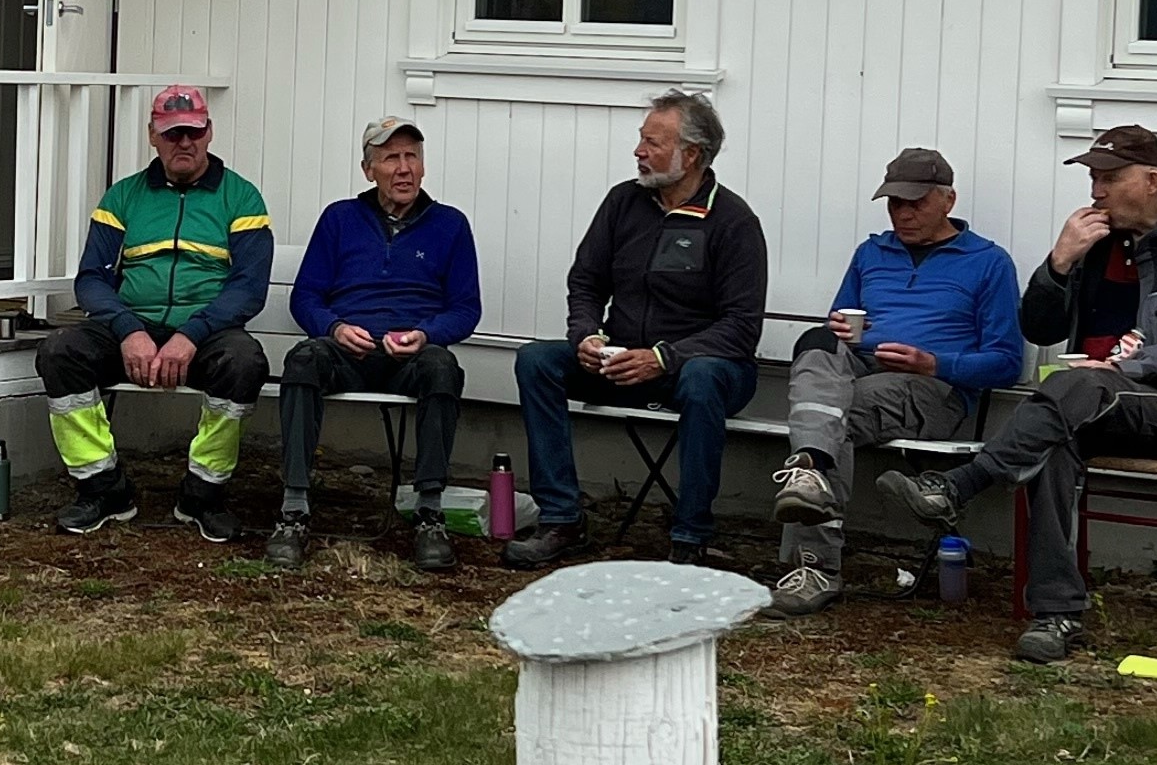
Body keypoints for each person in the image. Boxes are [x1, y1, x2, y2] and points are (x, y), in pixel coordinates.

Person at [880, 124, 1157, 667]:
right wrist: (1058, 264)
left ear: (1152, 181)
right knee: (1052, 444)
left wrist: (1132, 365)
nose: (1096, 191)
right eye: (1092, 179)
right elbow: (1038, 328)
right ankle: (1057, 615)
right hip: (1084, 404)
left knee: (1077, 385)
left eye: (1109, 179)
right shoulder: (1093, 241)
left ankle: (962, 484)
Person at [510, 91, 767, 571]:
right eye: (641, 139)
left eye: (653, 142)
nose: (638, 151)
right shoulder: (623, 202)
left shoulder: (733, 222)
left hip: (699, 370)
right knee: (536, 361)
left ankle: (690, 536)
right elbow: (586, 282)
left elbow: (740, 328)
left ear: (692, 154)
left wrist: (664, 357)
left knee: (704, 377)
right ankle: (561, 519)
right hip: (623, 360)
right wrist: (586, 335)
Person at [767, 145, 1025, 613]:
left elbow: (1006, 362)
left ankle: (815, 561)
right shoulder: (872, 253)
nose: (903, 214)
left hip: (933, 389)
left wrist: (933, 363)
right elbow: (838, 328)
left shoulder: (988, 262)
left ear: (948, 200)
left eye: (916, 203)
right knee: (816, 344)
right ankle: (810, 474)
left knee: (829, 419)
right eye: (894, 203)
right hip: (862, 372)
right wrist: (839, 328)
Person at [36, 84, 274, 540]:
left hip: (206, 334)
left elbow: (248, 287)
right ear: (152, 135)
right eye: (171, 133)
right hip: (133, 328)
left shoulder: (242, 197)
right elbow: (91, 279)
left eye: (193, 132)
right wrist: (128, 330)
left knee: (244, 363)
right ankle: (103, 489)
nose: (184, 142)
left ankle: (203, 496)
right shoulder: (123, 197)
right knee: (60, 352)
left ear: (209, 132)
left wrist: (191, 335)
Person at [267, 118, 482, 576]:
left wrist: (426, 334)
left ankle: (429, 512)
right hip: (348, 350)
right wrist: (334, 327)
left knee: (443, 367)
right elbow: (306, 296)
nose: (404, 168)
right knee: (303, 360)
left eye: (412, 157)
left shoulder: (450, 225)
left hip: (411, 354)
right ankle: (294, 509)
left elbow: (466, 309)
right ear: (369, 170)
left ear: (423, 166)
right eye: (391, 158)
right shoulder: (340, 218)